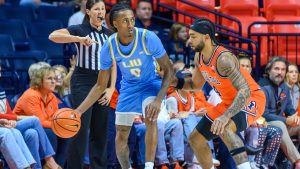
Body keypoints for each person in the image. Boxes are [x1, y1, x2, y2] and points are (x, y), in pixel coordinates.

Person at [73, 3, 173, 169]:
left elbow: (169, 70)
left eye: (132, 19)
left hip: (150, 84)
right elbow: (100, 85)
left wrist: (158, 100)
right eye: (125, 21)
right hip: (128, 88)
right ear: (115, 24)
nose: (131, 24)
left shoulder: (147, 37)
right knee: (120, 134)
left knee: (151, 119)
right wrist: (78, 111)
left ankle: (149, 166)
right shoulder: (109, 45)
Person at [172, 17, 266, 169]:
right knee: (196, 138)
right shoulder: (199, 57)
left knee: (226, 128)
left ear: (206, 37)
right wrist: (175, 82)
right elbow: (195, 85)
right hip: (229, 102)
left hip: (252, 98)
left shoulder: (224, 59)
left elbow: (245, 90)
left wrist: (225, 116)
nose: (189, 41)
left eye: (193, 36)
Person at [49, 0, 114, 168]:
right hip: (83, 81)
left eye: (102, 9)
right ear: (88, 11)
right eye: (96, 9)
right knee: (79, 127)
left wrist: (111, 88)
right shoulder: (81, 29)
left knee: (100, 131)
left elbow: (113, 63)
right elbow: (53, 36)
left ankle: (98, 166)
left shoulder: (109, 35)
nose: (100, 12)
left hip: (103, 81)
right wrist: (77, 39)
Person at [238, 54, 282, 169]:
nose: (246, 68)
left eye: (248, 66)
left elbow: (257, 108)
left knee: (276, 131)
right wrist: (251, 119)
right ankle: (248, 162)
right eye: (242, 65)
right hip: (238, 122)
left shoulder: (254, 86)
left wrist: (261, 119)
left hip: (252, 120)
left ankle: (264, 164)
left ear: (251, 69)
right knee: (257, 128)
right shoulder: (231, 83)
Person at [258, 57, 300, 168]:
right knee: (280, 125)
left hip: (283, 124)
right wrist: (287, 120)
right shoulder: (262, 86)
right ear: (268, 70)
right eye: (276, 69)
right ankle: (297, 161)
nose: (280, 72)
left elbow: (290, 109)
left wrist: (295, 117)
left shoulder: (284, 87)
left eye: (283, 69)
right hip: (265, 124)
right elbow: (264, 114)